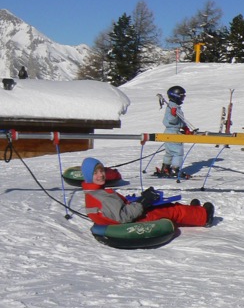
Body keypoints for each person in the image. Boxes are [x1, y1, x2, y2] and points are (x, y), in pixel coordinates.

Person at [81, 158, 213, 227]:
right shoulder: (100, 196)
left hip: (132, 214)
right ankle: (204, 216)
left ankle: (194, 210)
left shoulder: (93, 193)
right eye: (95, 173)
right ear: (88, 176)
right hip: (136, 221)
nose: (100, 175)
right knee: (171, 209)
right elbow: (123, 217)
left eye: (101, 171)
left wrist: (141, 199)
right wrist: (143, 203)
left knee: (162, 203)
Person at [159, 85, 192, 179]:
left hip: (170, 132)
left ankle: (165, 168)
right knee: (178, 152)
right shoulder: (171, 107)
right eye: (182, 96)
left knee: (170, 152)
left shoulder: (174, 106)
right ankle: (175, 169)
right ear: (176, 96)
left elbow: (180, 120)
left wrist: (185, 128)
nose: (183, 98)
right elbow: (171, 120)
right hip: (173, 132)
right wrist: (173, 115)